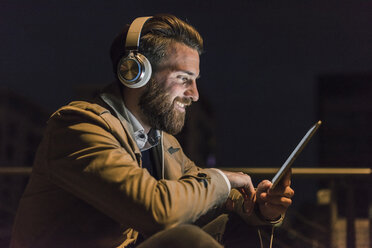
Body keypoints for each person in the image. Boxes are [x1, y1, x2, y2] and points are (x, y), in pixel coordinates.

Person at [10, 14, 294, 248]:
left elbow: (199, 191)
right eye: (184, 79)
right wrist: (222, 178)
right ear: (135, 73)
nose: (194, 94)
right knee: (186, 240)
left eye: (195, 81)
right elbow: (159, 211)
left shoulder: (163, 142)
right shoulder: (77, 127)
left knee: (239, 226)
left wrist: (260, 209)